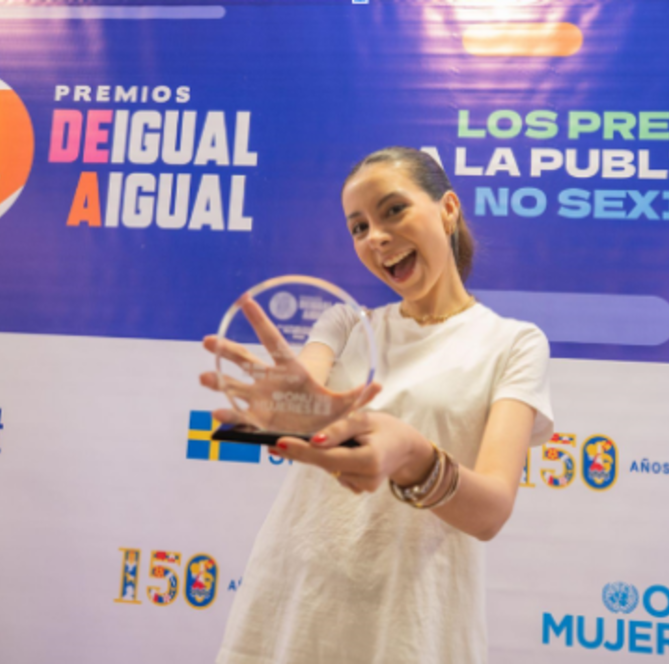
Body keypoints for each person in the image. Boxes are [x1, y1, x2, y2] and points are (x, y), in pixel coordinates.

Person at [201, 146, 553, 664]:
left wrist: (415, 457)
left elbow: (491, 512)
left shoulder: (514, 343)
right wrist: (297, 410)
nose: (376, 237)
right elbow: (308, 393)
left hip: (410, 620)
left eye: (393, 210)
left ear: (448, 209)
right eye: (358, 227)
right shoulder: (344, 324)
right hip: (294, 596)